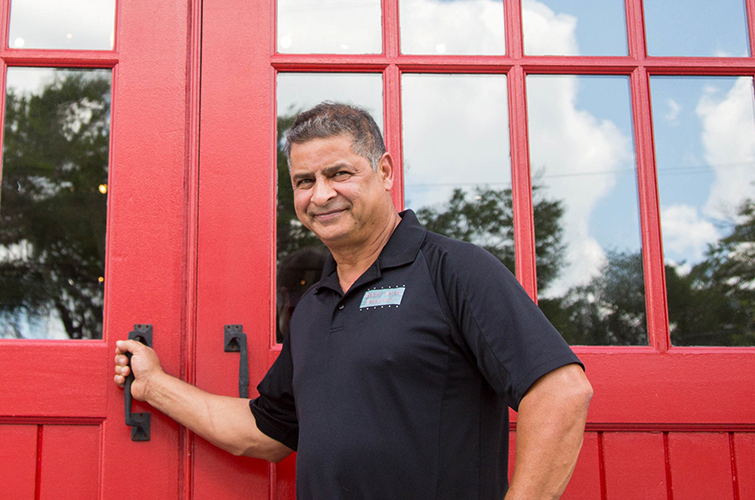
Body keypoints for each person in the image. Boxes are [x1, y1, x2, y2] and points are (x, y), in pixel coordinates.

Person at [113, 102, 592, 499]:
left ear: (384, 171)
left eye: (339, 173)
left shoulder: (454, 268)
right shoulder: (314, 306)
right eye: (304, 181)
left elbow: (561, 391)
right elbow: (264, 433)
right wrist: (154, 386)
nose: (321, 195)